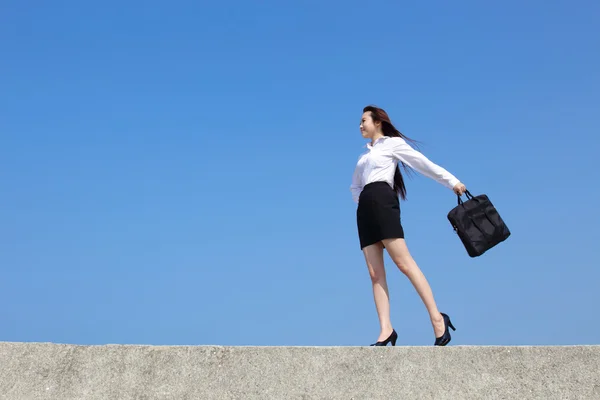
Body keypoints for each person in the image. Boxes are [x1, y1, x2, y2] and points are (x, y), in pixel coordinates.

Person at [350, 105, 467, 347]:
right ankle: (386, 330)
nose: (360, 125)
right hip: (365, 210)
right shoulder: (363, 156)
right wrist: (362, 201)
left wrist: (452, 182)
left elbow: (423, 164)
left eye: (364, 120)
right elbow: (355, 187)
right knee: (375, 274)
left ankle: (437, 318)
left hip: (383, 201)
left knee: (404, 264)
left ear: (378, 122)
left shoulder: (392, 144)